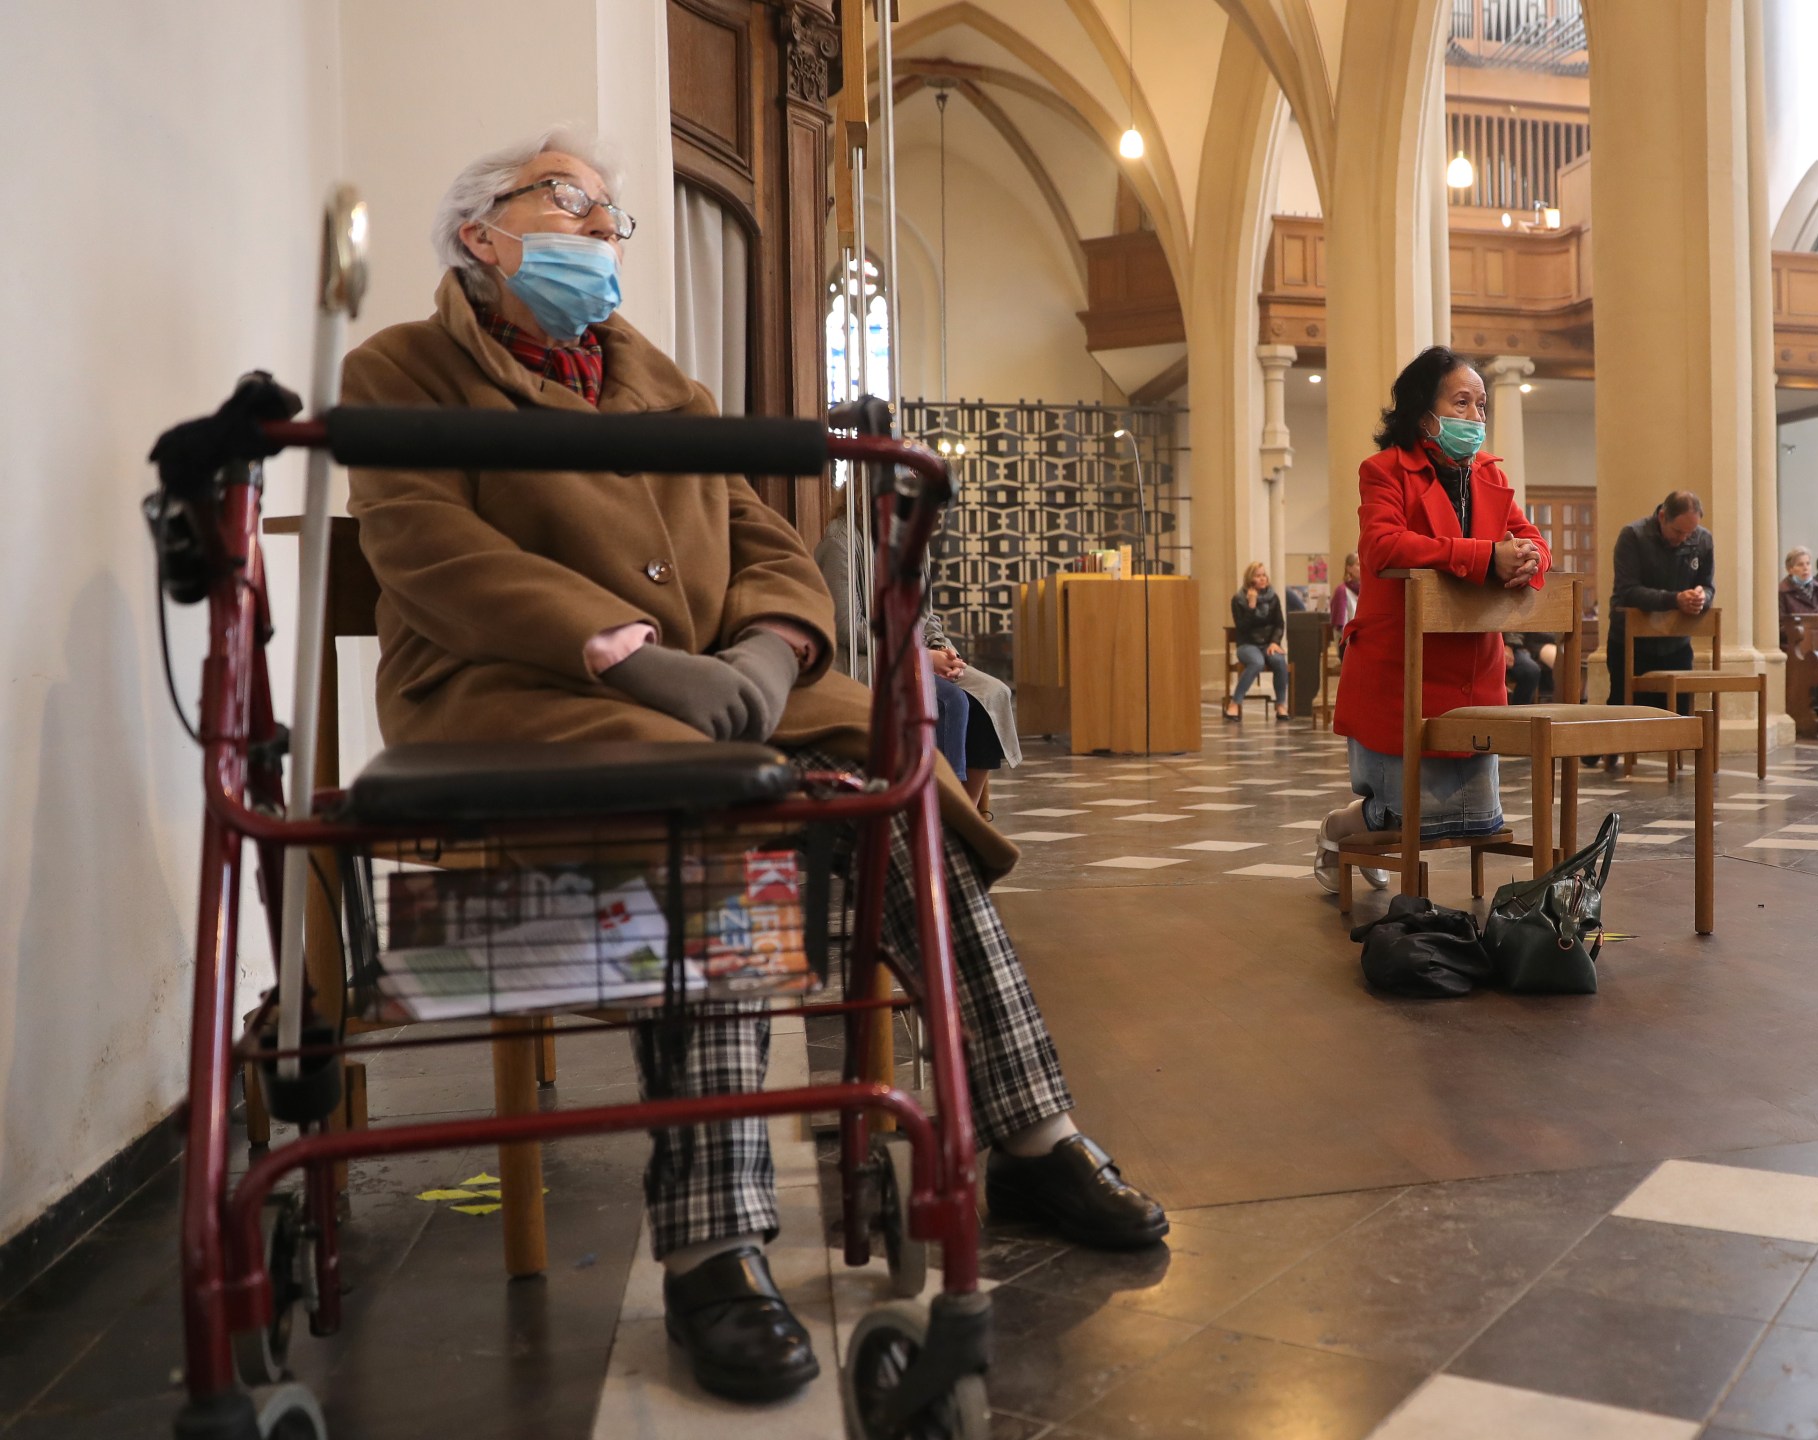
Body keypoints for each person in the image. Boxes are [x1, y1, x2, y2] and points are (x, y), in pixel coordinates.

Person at [345, 130, 1165, 1404]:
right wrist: (628, 657)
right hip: (526, 698)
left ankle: (1031, 1131)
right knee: (714, 831)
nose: (603, 231)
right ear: (478, 233)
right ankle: (715, 1247)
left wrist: (776, 653)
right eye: (573, 203)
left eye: (613, 216)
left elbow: (763, 536)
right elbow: (431, 549)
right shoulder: (398, 367)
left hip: (726, 696)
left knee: (891, 797)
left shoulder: (656, 381)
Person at [1321, 346, 1548, 892]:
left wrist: (1531, 560)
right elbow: (1382, 546)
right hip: (1402, 670)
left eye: (1482, 405)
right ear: (1426, 415)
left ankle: (1356, 832)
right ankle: (1340, 832)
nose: (1476, 416)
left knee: (1474, 819)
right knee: (1404, 817)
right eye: (1462, 402)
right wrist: (1481, 556)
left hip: (1472, 671)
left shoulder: (1489, 473)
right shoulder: (1385, 472)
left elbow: (1529, 536)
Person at [814, 514, 1021, 817]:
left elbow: (927, 615)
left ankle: (967, 815)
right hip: (864, 659)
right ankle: (941, 817)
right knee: (952, 701)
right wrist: (920, 656)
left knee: (992, 693)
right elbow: (849, 627)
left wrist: (942, 649)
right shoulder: (841, 539)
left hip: (915, 652)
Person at [1606, 491, 1712, 707]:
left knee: (1679, 718)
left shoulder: (1703, 539)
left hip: (1676, 642)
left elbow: (1708, 586)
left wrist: (1701, 597)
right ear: (1662, 516)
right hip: (1632, 645)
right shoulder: (1633, 536)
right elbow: (1628, 591)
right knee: (1632, 718)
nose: (1684, 538)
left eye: (1690, 532)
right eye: (1679, 531)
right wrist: (1676, 600)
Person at [1227, 561, 1291, 720]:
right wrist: (1251, 606)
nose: (1262, 578)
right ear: (1250, 580)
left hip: (1268, 643)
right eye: (1258, 576)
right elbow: (1242, 627)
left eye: (1264, 575)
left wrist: (1275, 642)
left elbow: (1279, 623)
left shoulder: (1273, 597)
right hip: (1248, 644)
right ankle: (1235, 703)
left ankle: (1281, 705)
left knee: (1278, 660)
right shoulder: (1238, 599)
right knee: (1257, 662)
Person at [1777, 546, 1818, 617]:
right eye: (1800, 565)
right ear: (1790, 569)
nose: (1805, 568)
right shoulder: (1782, 592)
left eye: (1808, 563)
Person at [1506, 632, 1559, 705]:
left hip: (1554, 640)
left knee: (1532, 670)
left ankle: (1520, 710)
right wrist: (1509, 644)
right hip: (1532, 640)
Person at [1330, 551, 1361, 632]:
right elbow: (1340, 626)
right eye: (1358, 564)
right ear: (1349, 568)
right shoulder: (1341, 591)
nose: (1363, 567)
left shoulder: (1368, 590)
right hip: (1350, 640)